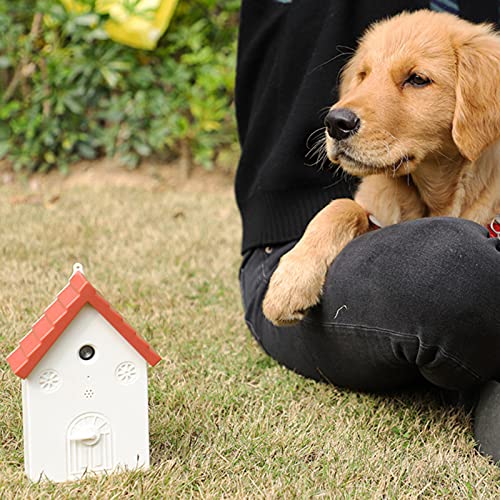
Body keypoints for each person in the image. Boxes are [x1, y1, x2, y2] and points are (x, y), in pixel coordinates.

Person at [235, 0, 500, 462]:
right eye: (362, 75)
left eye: (415, 80)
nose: (345, 111)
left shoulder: (476, 55)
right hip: (309, 252)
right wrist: (329, 229)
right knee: (455, 265)